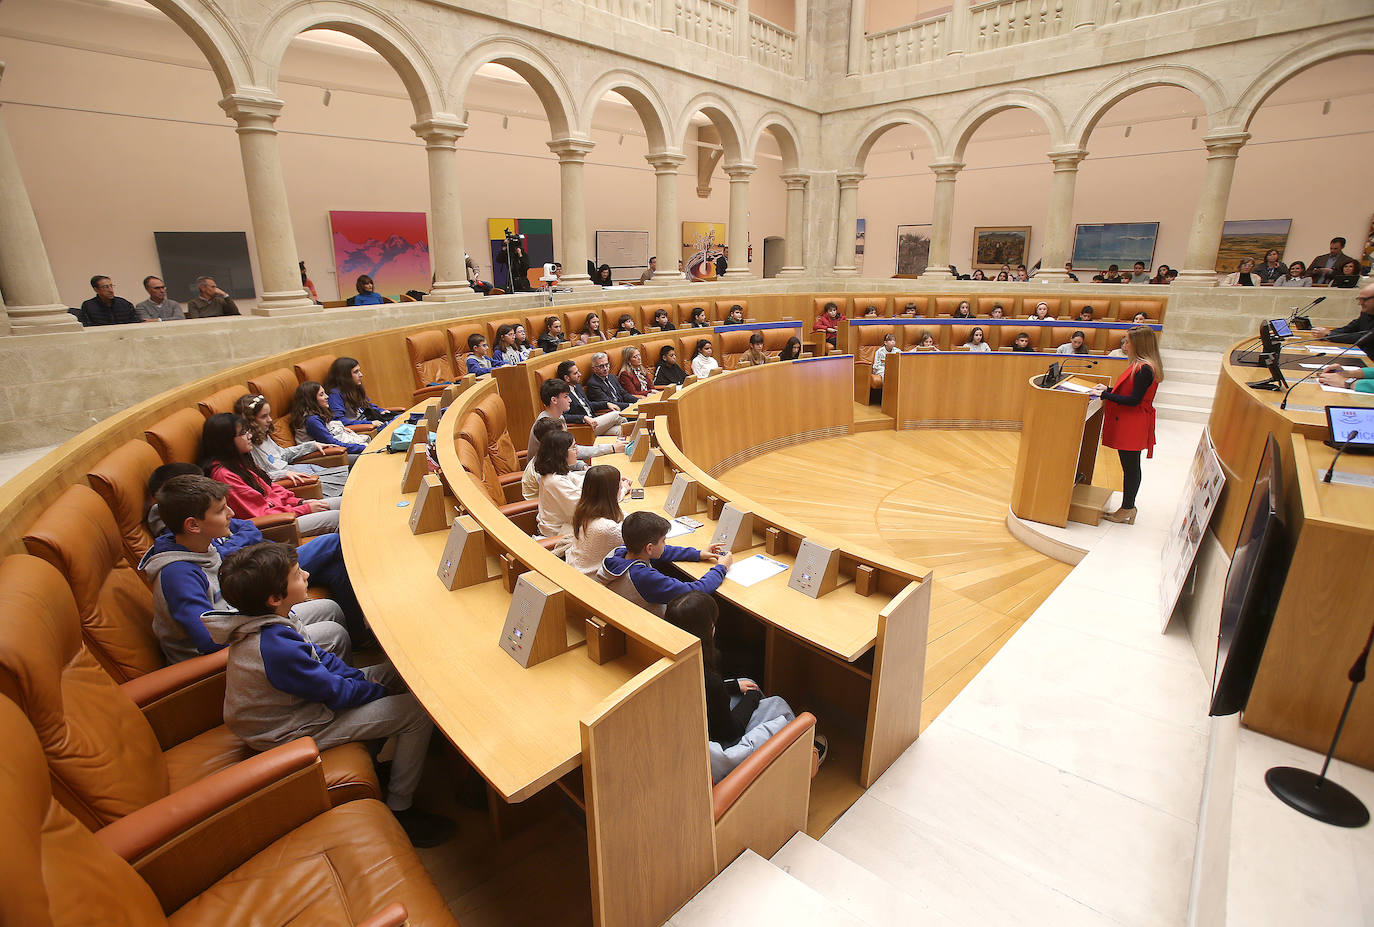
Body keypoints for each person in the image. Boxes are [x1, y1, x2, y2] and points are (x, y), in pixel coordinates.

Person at [208, 541, 454, 847]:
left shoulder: (275, 622)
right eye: (298, 575)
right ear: (275, 598)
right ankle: (401, 807)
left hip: (299, 702)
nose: (308, 575)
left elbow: (320, 661)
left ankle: (390, 753)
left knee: (394, 672)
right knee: (417, 712)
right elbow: (333, 693)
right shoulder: (274, 647)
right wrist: (373, 690)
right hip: (283, 728)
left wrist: (365, 682)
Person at [141, 474, 349, 664]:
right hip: (218, 657)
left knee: (329, 608)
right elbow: (209, 639)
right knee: (332, 634)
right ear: (193, 525)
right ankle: (332, 694)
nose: (231, 513)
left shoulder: (202, 543)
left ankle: (347, 669)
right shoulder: (178, 574)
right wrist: (267, 618)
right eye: (221, 510)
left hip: (241, 621)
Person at [665, 591, 824, 782]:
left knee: (747, 684)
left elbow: (707, 690)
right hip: (717, 742)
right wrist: (753, 697)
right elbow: (731, 730)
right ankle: (805, 754)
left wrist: (732, 686)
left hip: (690, 726)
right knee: (776, 704)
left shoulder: (672, 663)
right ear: (709, 629)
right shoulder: (710, 682)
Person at [199, 413, 341, 536]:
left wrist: (300, 502)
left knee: (344, 501)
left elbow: (270, 488)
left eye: (247, 431)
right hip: (275, 525)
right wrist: (305, 509)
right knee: (337, 517)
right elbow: (259, 514)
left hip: (287, 511)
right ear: (225, 441)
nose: (250, 436)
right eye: (243, 433)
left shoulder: (240, 462)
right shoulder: (224, 475)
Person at [1089, 327, 1163, 525]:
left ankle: (1128, 507)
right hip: (1132, 420)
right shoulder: (1141, 366)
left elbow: (1133, 400)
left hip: (1134, 422)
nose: (1125, 345)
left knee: (1130, 467)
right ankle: (1128, 506)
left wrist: (1105, 395)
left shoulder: (1144, 368)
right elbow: (1130, 392)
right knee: (1130, 465)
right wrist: (1109, 389)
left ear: (1139, 344)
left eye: (1128, 342)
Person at [597, 511, 731, 616]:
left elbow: (663, 551)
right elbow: (694, 591)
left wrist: (697, 554)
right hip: (651, 624)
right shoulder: (643, 577)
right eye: (663, 540)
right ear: (649, 548)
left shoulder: (620, 552)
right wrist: (721, 567)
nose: (665, 544)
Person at [234, 392, 350, 495]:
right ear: (251, 421)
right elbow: (261, 477)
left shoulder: (263, 435)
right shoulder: (249, 447)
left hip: (298, 469)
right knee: (348, 488)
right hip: (292, 479)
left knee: (351, 478)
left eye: (269, 415)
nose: (270, 420)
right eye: (264, 416)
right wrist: (283, 474)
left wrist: (311, 445)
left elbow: (283, 454)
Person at [526, 378, 626, 460]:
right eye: (565, 397)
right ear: (554, 400)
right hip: (545, 476)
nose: (570, 400)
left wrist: (582, 466)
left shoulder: (559, 417)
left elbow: (567, 453)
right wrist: (611, 448)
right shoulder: (547, 425)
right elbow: (573, 452)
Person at [564, 465, 629, 577]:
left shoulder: (585, 510)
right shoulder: (607, 528)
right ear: (612, 492)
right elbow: (637, 541)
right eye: (619, 487)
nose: (621, 489)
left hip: (575, 567)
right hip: (589, 580)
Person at [534, 430, 585, 549]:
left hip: (565, 527)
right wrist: (620, 491)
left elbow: (579, 479)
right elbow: (586, 509)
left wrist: (611, 480)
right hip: (558, 537)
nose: (577, 451)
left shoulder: (556, 474)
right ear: (561, 453)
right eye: (573, 448)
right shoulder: (555, 482)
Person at [289, 381, 368, 456]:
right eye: (321, 395)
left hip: (331, 451)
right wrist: (363, 448)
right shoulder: (312, 421)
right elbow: (332, 443)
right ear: (311, 400)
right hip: (321, 456)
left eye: (325, 393)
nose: (327, 397)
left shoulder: (314, 414)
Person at [558, 359, 627, 435]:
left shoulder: (577, 386)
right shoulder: (562, 394)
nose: (580, 374)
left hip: (594, 422)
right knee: (617, 414)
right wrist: (583, 418)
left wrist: (606, 404)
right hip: (583, 427)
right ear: (567, 378)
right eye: (575, 373)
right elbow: (563, 416)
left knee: (624, 430)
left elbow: (588, 404)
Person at [326, 356, 397, 428]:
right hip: (361, 428)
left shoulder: (354, 387)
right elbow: (339, 421)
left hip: (369, 419)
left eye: (359, 371)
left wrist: (380, 410)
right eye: (356, 372)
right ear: (344, 376)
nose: (361, 375)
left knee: (400, 419)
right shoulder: (335, 395)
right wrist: (368, 423)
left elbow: (366, 404)